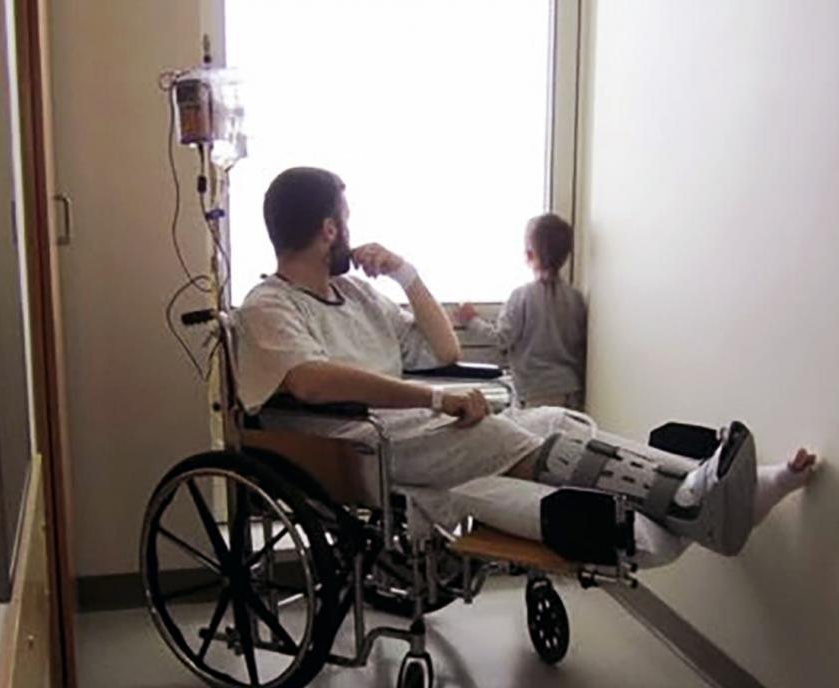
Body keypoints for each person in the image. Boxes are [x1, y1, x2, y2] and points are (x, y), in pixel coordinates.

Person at [235, 167, 816, 560]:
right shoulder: (268, 305)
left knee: (557, 423)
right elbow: (310, 382)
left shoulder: (358, 295)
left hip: (407, 428)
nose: (350, 231)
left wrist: (405, 274)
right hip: (363, 446)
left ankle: (701, 485)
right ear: (330, 230)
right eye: (346, 218)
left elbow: (445, 350)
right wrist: (435, 399)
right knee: (517, 437)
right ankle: (691, 502)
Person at [453, 213, 587, 409]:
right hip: (570, 389)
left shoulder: (522, 296)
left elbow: (501, 339)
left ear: (529, 255)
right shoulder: (576, 298)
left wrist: (471, 321)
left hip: (535, 390)